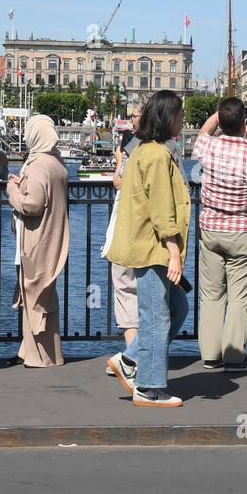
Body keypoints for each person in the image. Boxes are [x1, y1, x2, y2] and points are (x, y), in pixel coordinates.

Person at [106, 91, 191, 407]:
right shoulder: (156, 156)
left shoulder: (144, 151)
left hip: (147, 245)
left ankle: (129, 360)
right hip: (154, 248)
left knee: (177, 307)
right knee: (156, 317)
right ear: (168, 117)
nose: (183, 120)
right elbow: (161, 209)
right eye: (180, 114)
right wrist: (173, 251)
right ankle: (149, 387)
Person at [192, 98, 247, 373]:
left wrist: (219, 115)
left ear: (222, 122)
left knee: (211, 295)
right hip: (244, 232)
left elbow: (202, 132)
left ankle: (210, 356)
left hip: (211, 230)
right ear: (244, 124)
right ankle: (234, 358)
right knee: (239, 298)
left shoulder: (209, 147)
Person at [6, 115, 70, 367]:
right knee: (44, 294)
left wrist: (13, 190)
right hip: (53, 237)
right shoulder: (57, 163)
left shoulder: (37, 165)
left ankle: (37, 356)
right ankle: (44, 352)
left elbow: (32, 204)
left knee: (32, 294)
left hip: (35, 239)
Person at [102, 107, 141, 374]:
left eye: (135, 115)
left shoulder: (135, 148)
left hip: (127, 227)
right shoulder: (165, 147)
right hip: (146, 232)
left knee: (125, 290)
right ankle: (137, 355)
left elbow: (119, 182)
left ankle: (132, 357)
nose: (130, 119)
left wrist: (119, 161)